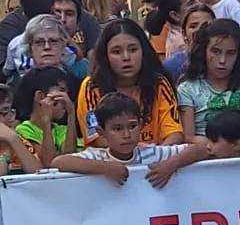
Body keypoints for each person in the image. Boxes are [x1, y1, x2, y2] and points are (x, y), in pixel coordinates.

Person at [52, 90, 205, 186]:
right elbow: (59, 162)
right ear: (101, 131)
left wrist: (171, 165)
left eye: (132, 126)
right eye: (117, 129)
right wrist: (106, 168)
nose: (126, 135)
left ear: (141, 125)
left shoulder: (150, 153)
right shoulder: (97, 157)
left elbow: (200, 149)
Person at [78, 19, 182, 152]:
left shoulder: (159, 83)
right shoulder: (91, 87)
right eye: (116, 52)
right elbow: (96, 138)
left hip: (155, 161)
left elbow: (175, 134)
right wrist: (135, 153)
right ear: (105, 56)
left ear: (143, 51)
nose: (126, 57)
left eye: (133, 50)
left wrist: (154, 154)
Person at [177, 19, 240, 145]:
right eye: (216, 51)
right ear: (203, 51)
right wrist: (223, 149)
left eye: (230, 53)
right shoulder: (187, 89)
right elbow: (188, 137)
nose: (222, 60)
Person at [13, 66, 80, 165]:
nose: (67, 99)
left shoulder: (61, 129)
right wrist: (46, 122)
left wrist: (71, 114)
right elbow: (48, 163)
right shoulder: (23, 130)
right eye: (61, 91)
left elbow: (69, 160)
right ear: (40, 96)